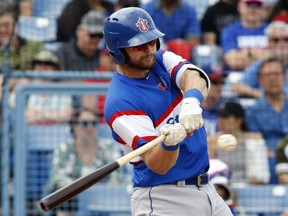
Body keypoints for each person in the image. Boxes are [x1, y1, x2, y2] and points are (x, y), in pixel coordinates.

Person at [103, 7, 233, 215]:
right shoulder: (121, 101)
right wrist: (170, 143)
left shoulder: (158, 61)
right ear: (118, 52)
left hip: (207, 188)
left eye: (151, 41)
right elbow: (158, 165)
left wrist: (191, 101)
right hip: (165, 199)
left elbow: (196, 77)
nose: (149, 49)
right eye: (138, 46)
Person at [47, 108, 125, 215]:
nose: (90, 128)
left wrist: (92, 187)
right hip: (73, 199)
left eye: (93, 123)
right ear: (75, 127)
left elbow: (117, 177)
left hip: (102, 198)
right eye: (84, 123)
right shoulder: (64, 148)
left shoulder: (107, 147)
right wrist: (81, 187)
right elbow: (57, 178)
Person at [245, 57, 288, 184]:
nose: (272, 78)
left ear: (284, 77)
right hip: (268, 156)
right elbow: (256, 140)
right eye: (268, 75)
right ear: (260, 80)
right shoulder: (253, 110)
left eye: (276, 74)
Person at [208, 101, 270, 184]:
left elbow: (260, 176)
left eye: (226, 117)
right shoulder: (212, 140)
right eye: (220, 116)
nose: (221, 121)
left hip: (249, 187)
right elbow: (209, 172)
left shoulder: (254, 139)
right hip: (223, 188)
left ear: (238, 120)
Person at [232, 21, 288, 98]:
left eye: (286, 39)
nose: (281, 44)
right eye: (276, 40)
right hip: (267, 108)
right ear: (269, 42)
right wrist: (264, 96)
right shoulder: (261, 64)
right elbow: (237, 87)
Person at [221, 0, 269, 71]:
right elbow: (233, 61)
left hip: (267, 75)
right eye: (248, 5)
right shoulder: (229, 31)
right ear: (239, 7)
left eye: (257, 5)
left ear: (262, 9)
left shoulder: (271, 29)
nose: (253, 9)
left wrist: (245, 54)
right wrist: (260, 54)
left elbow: (277, 58)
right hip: (237, 76)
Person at [0, 1, 43, 71]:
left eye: (6, 25)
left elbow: (43, 74)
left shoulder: (34, 47)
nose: (2, 30)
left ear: (15, 23)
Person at [201, 65, 228, 136]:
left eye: (222, 82)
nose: (220, 87)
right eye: (215, 82)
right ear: (202, 83)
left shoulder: (227, 109)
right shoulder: (190, 107)